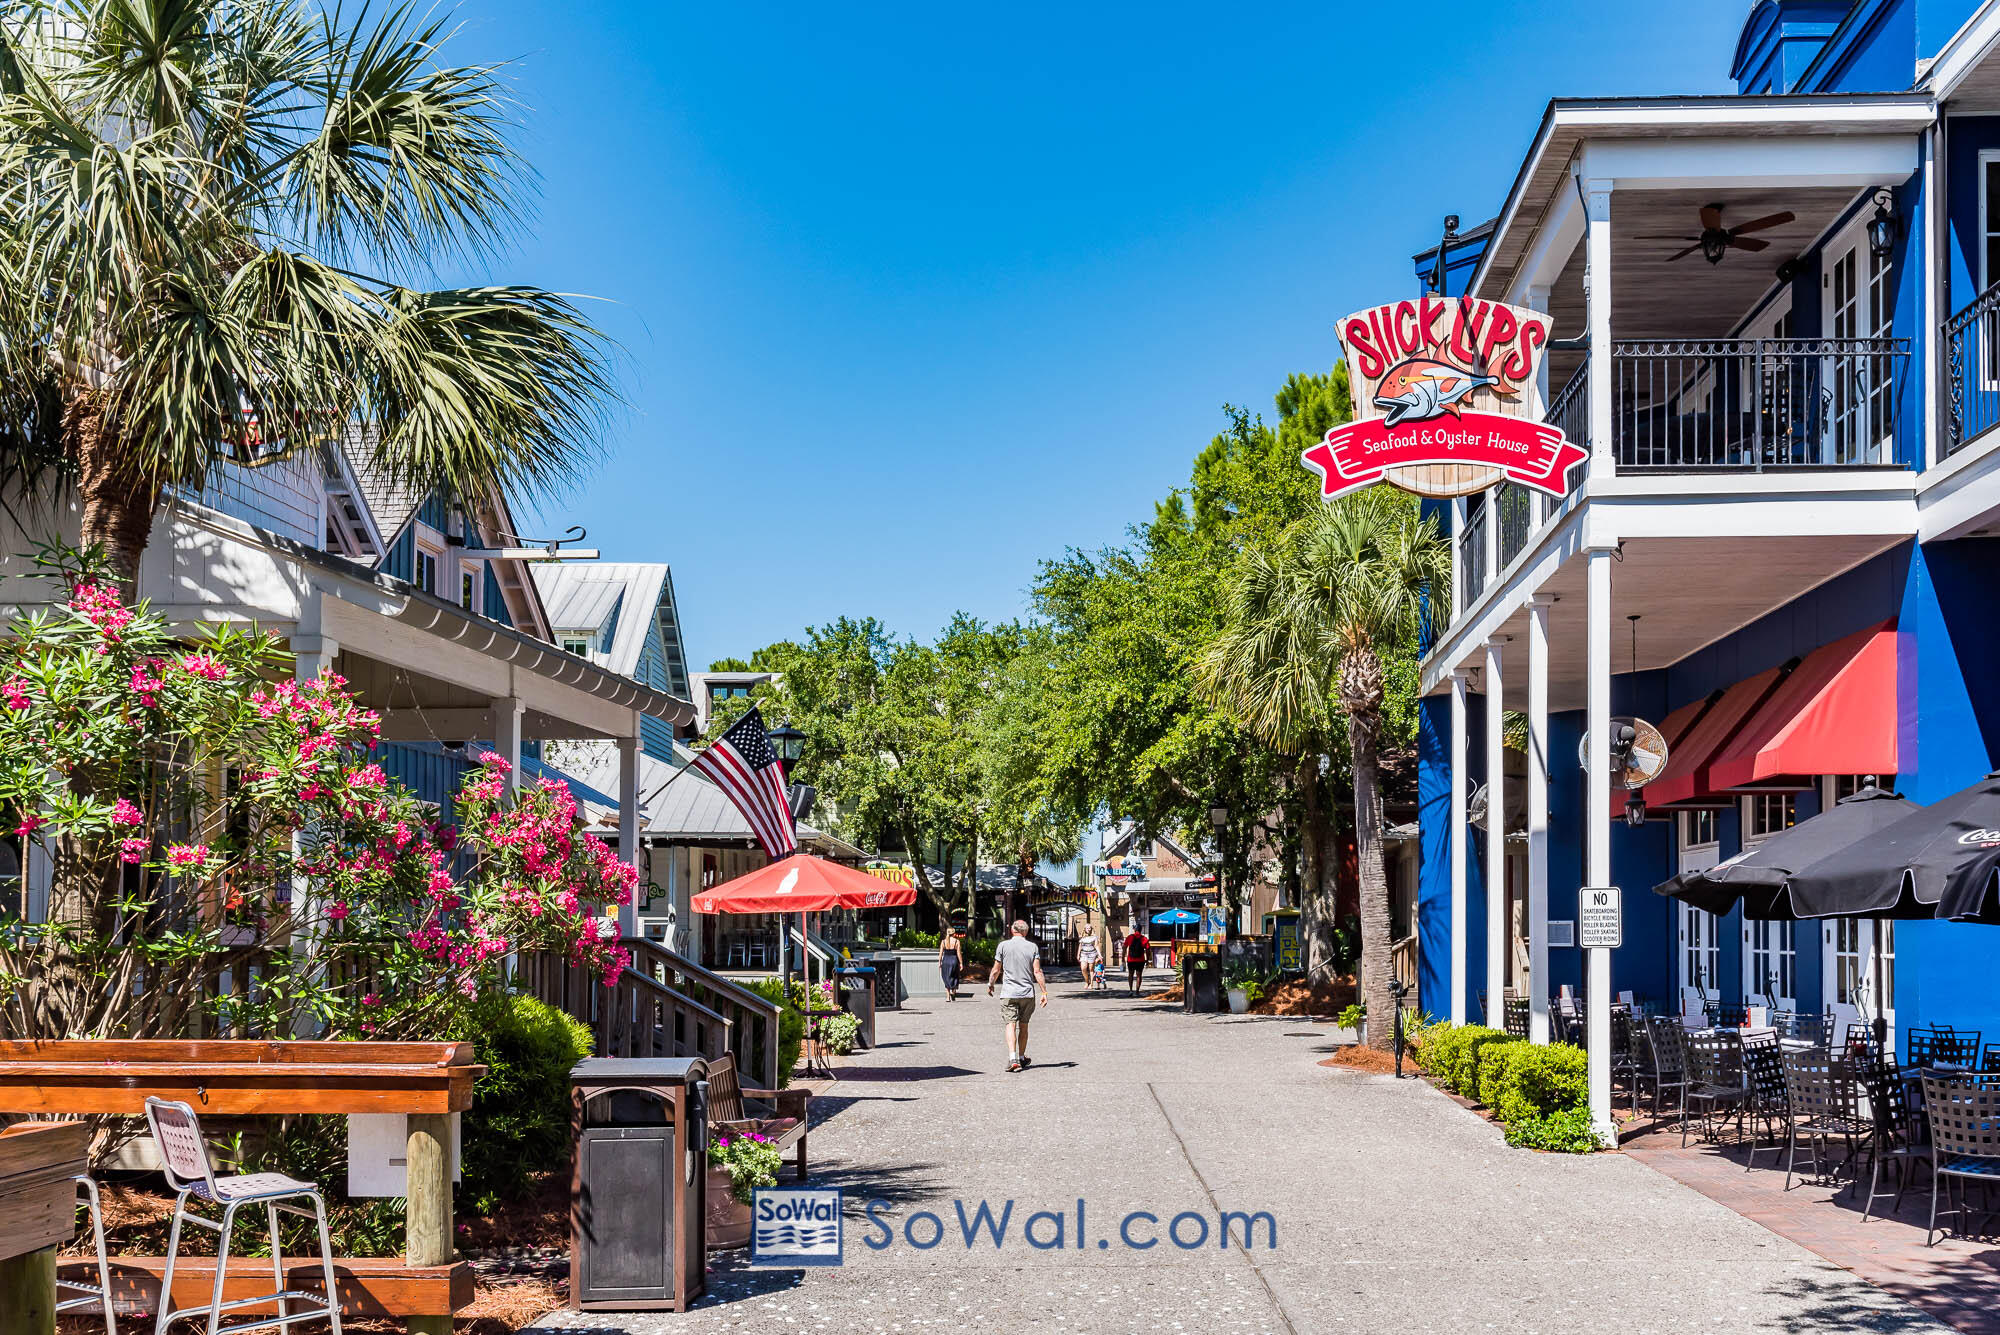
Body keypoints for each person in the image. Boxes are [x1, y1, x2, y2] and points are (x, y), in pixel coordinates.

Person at [987, 919, 1048, 1072]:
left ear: (1012, 930)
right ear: (1025, 932)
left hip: (1009, 993)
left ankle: (1013, 1058)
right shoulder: (1032, 947)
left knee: (1010, 1025)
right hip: (1027, 993)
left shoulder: (1003, 946)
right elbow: (1037, 971)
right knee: (1024, 1026)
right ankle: (1021, 1057)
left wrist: (991, 984)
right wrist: (1044, 992)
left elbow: (996, 970)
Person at [939, 925, 964, 1000]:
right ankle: (953, 991)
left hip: (945, 960)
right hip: (954, 960)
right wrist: (961, 963)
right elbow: (959, 953)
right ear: (954, 933)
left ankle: (947, 997)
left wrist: (939, 962)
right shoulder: (957, 941)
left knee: (946, 977)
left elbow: (940, 953)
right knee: (954, 976)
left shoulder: (943, 941)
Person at [1123, 924, 1149, 995]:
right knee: (1139, 975)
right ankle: (1137, 991)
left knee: (1130, 974)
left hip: (1130, 960)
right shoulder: (1144, 938)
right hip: (1140, 960)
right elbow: (1147, 950)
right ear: (1141, 930)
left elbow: (1124, 947)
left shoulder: (1129, 937)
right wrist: (1147, 959)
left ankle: (1130, 990)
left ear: (1134, 929)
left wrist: (1123, 956)